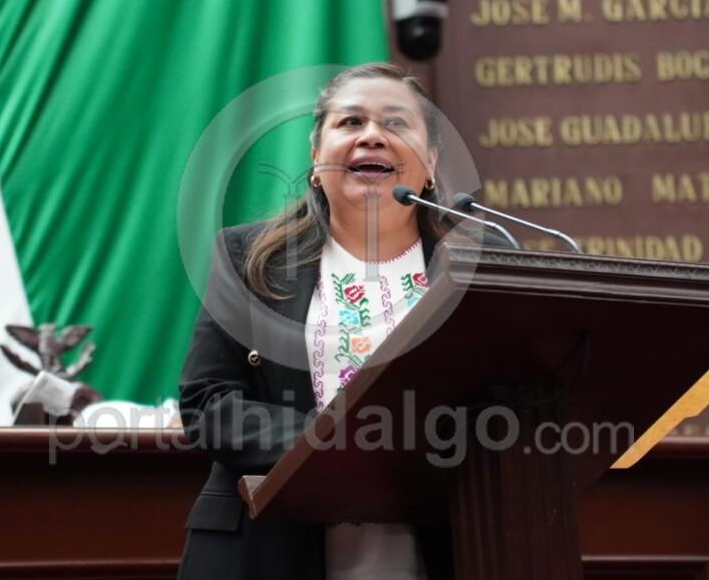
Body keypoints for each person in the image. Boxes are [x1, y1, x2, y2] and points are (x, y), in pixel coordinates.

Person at [177, 62, 506, 580]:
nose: (372, 136)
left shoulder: (481, 267)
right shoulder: (249, 257)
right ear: (316, 157)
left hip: (446, 548)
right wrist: (334, 440)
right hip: (267, 553)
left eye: (395, 123)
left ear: (430, 163)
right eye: (351, 122)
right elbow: (207, 403)